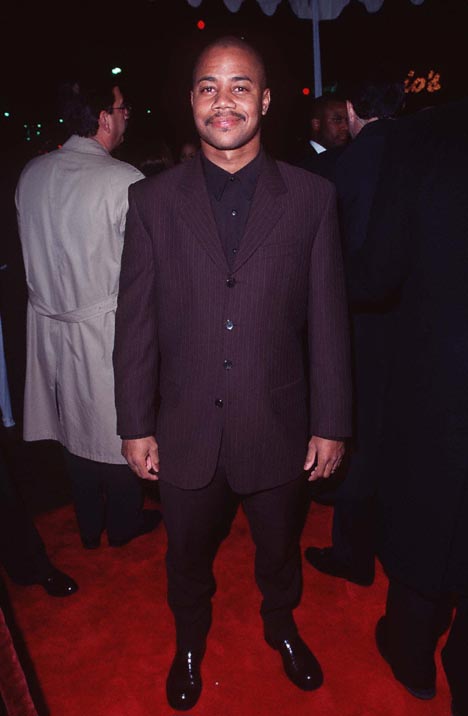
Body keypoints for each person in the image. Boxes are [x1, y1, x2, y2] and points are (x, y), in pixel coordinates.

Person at [113, 36, 351, 710]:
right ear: (191, 101)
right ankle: (189, 642)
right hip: (183, 426)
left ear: (266, 100)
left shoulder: (312, 198)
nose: (224, 101)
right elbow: (135, 322)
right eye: (208, 87)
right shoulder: (150, 201)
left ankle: (281, 626)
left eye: (240, 86)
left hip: (277, 422)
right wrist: (134, 424)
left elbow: (330, 321)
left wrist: (332, 423)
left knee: (279, 551)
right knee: (185, 557)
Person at [348, 99, 468, 716]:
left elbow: (377, 275)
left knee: (430, 508)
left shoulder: (425, 138)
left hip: (443, 377)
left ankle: (412, 652)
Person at [15, 80, 161, 550]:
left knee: (71, 425)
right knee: (117, 426)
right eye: (122, 108)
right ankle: (122, 523)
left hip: (49, 325)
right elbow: (148, 269)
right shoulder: (123, 180)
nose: (126, 115)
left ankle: (88, 523)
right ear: (103, 117)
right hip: (104, 324)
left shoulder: (32, 173)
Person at [305, 76, 405, 586]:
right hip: (414, 326)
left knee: (358, 433)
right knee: (396, 433)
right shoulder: (424, 156)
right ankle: (387, 541)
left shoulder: (340, 169)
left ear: (350, 109)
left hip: (359, 323)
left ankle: (353, 553)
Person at [296, 93, 349, 178]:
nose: (346, 127)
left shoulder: (347, 157)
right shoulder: (300, 163)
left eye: (347, 120)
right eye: (337, 120)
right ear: (316, 124)